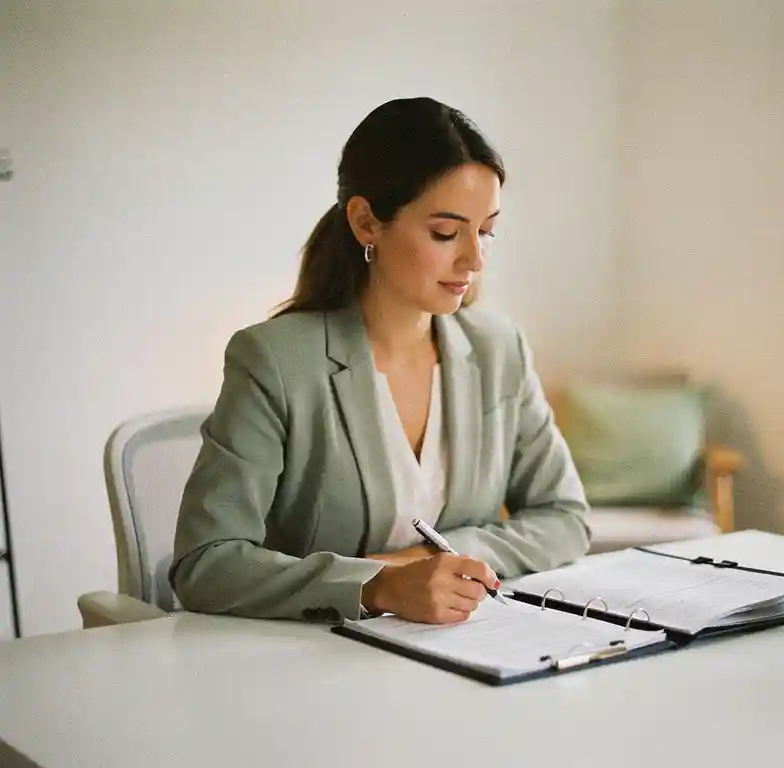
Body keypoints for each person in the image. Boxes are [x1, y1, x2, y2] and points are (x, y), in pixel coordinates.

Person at [169, 97, 591, 626]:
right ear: (367, 222)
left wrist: (438, 559)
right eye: (445, 233)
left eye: (486, 230)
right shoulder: (274, 360)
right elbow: (205, 565)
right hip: (315, 665)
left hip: (469, 657)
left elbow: (566, 518)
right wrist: (377, 585)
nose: (475, 259)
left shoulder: (498, 347)